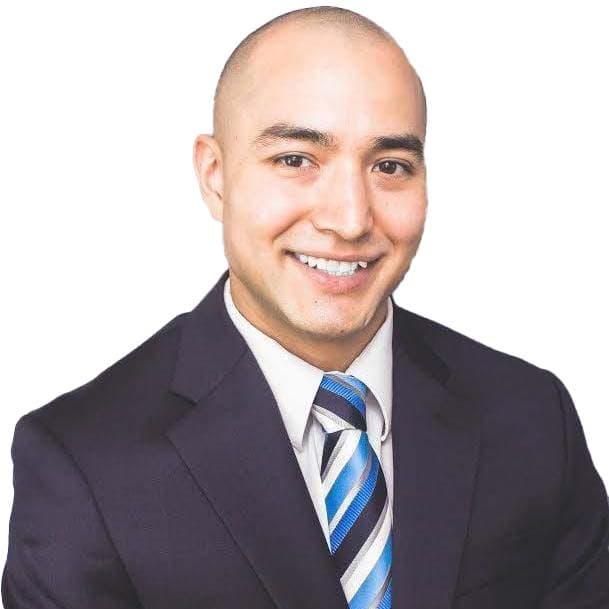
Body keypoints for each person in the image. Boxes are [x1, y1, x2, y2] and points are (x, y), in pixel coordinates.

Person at [2, 5, 609, 608]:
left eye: (390, 166)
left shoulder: (532, 418)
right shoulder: (82, 463)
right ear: (215, 175)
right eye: (295, 160)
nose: (350, 219)